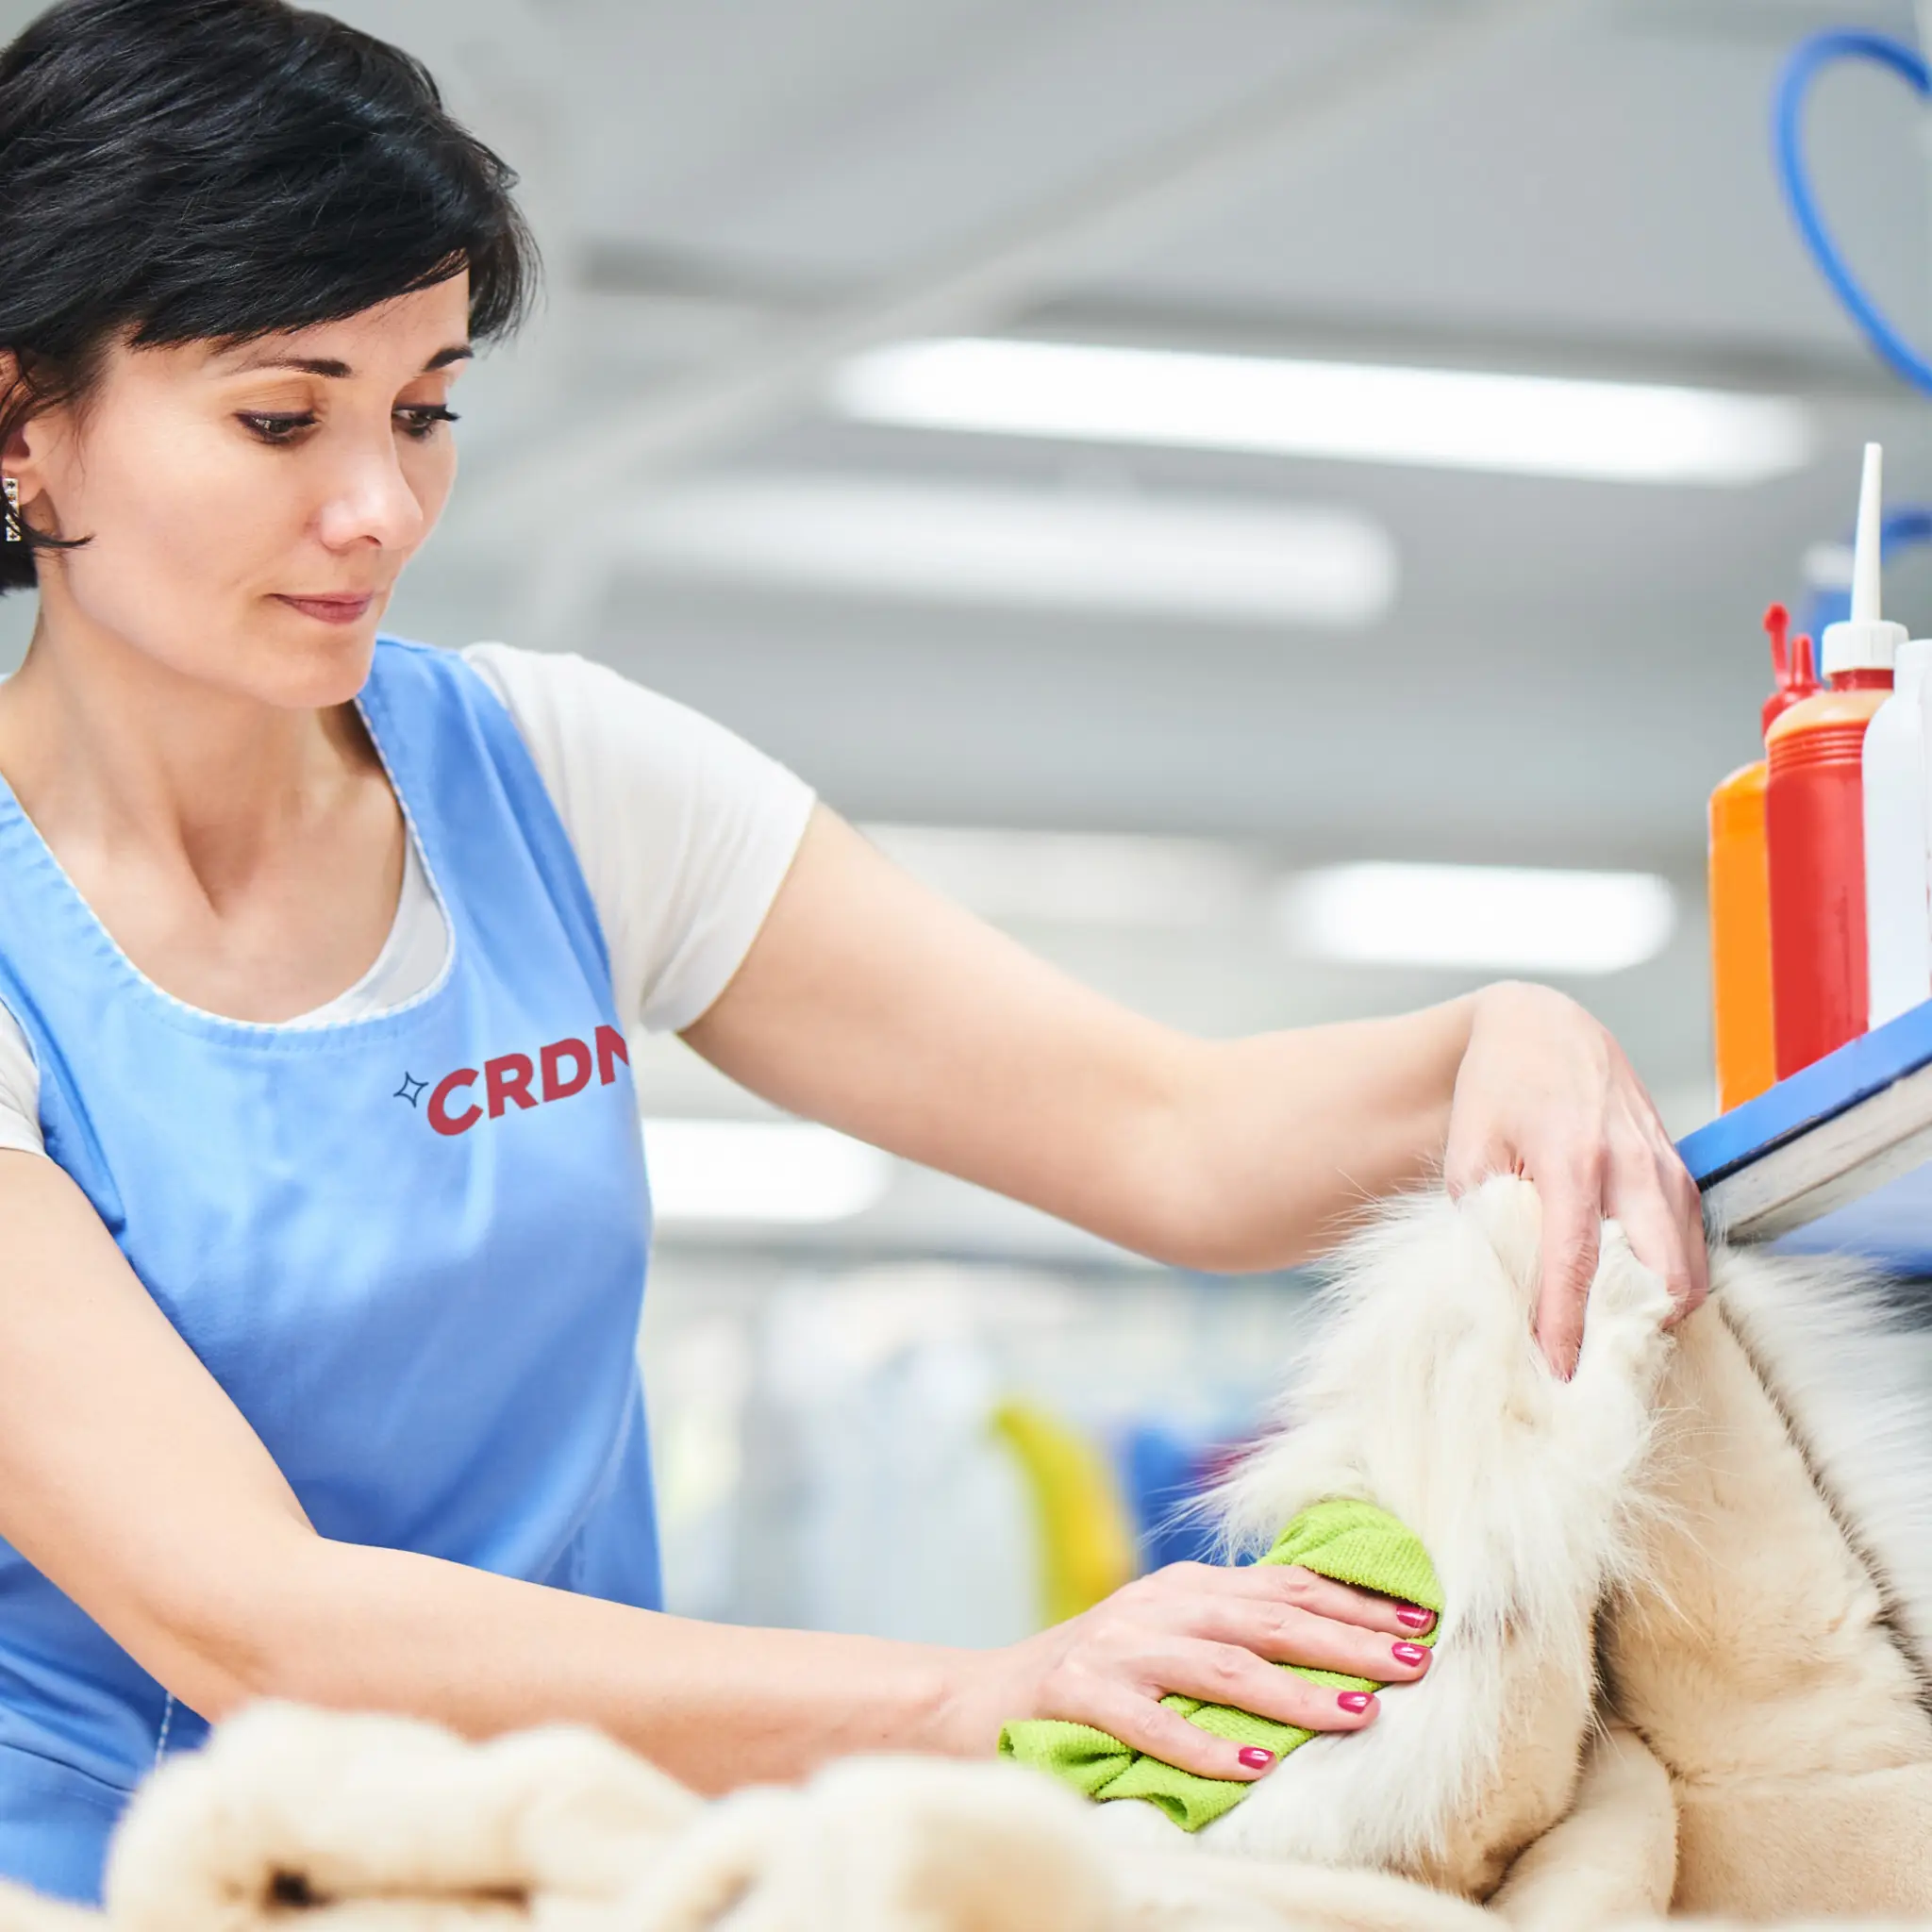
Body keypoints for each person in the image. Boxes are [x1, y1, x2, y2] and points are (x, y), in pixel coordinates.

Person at [0, 0, 1707, 1904]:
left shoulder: (555, 780)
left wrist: (1500, 1034)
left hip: (542, 1867)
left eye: (423, 407)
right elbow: (256, 1626)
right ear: (22, 423)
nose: (378, 507)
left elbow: (1167, 1133)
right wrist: (965, 1697)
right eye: (278, 416)